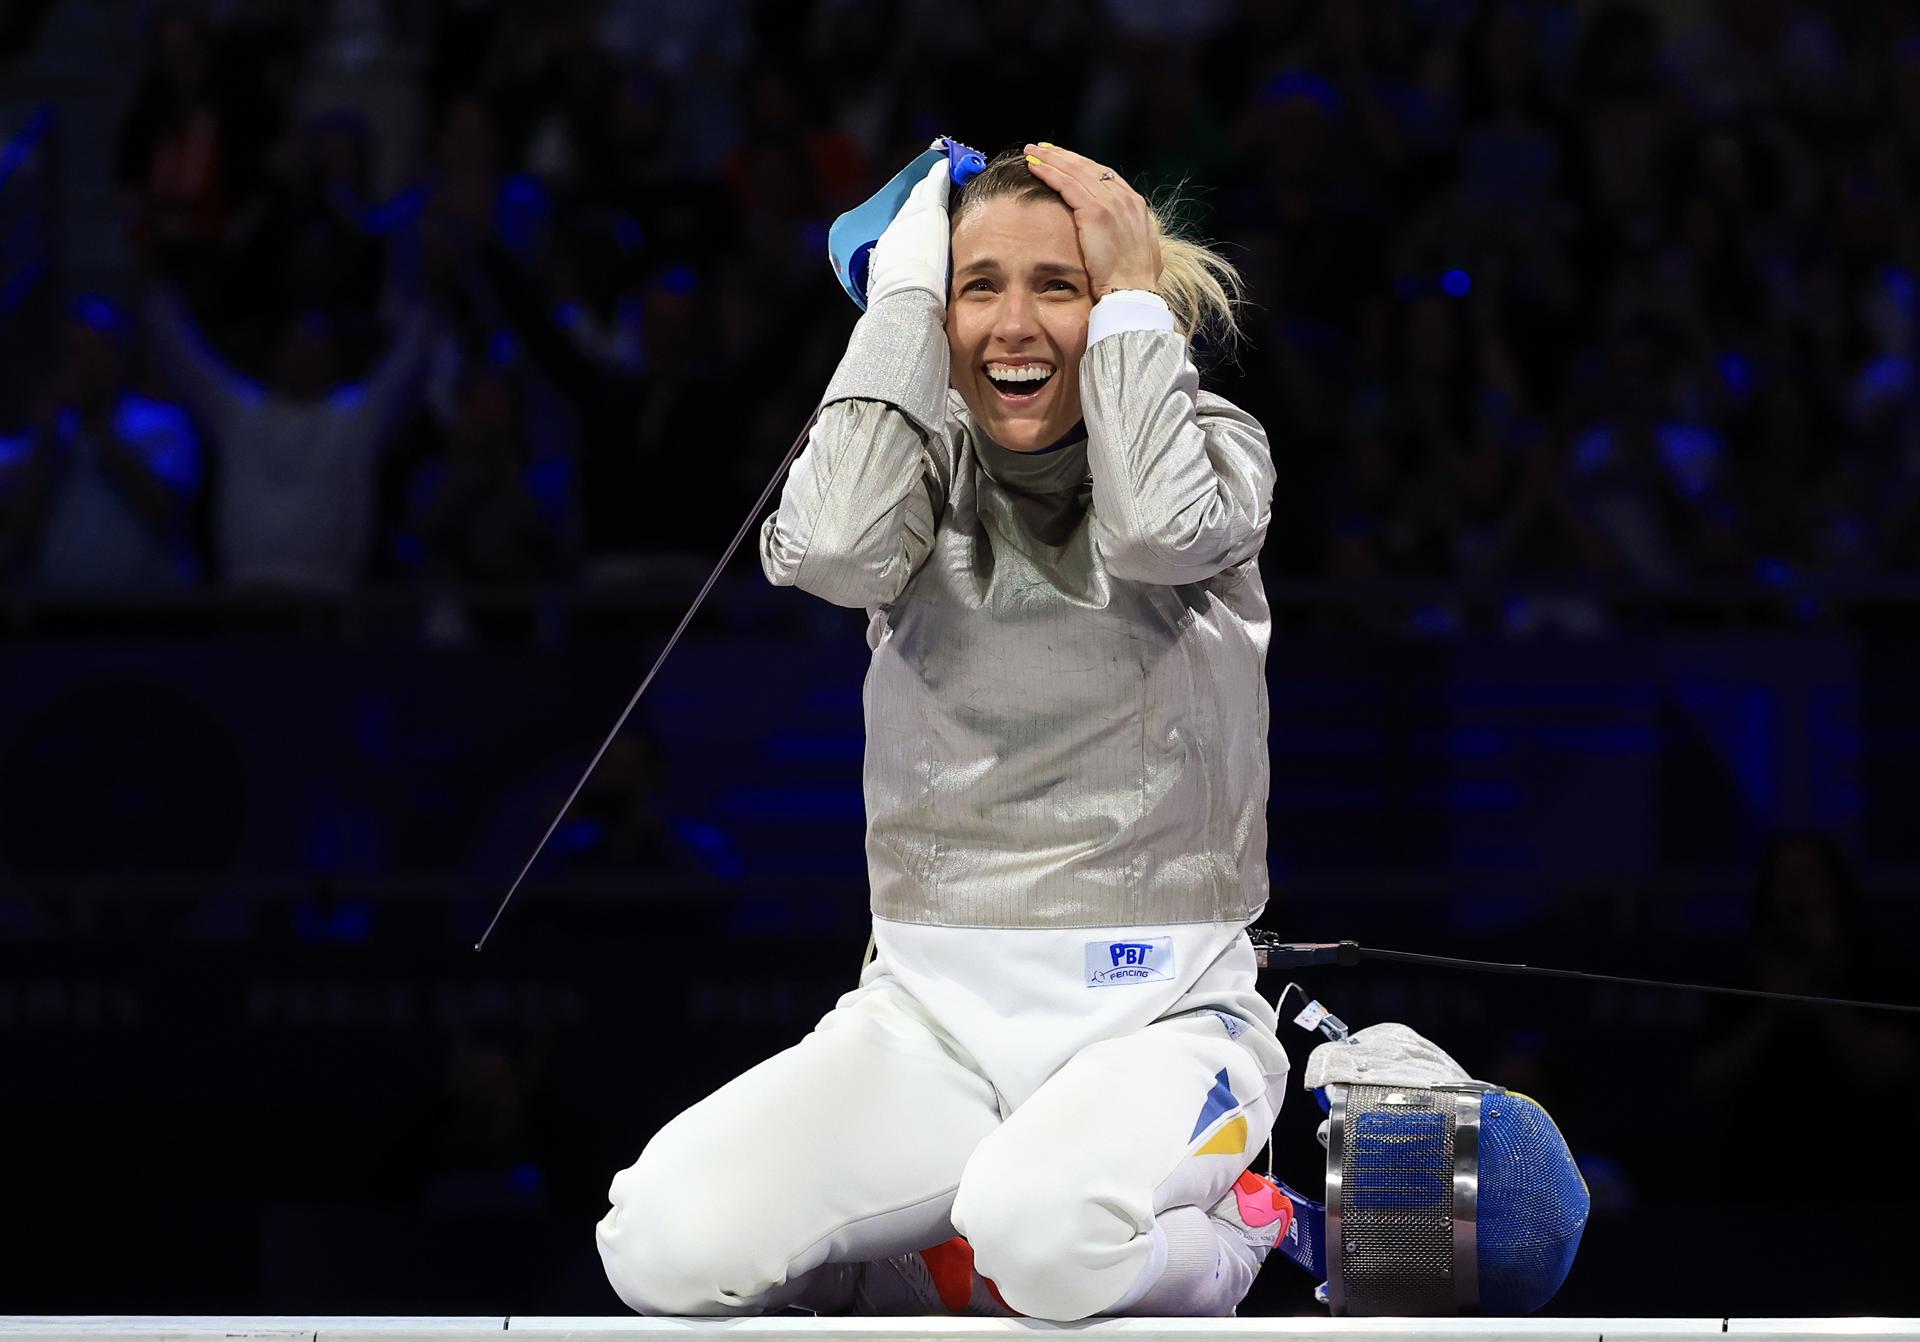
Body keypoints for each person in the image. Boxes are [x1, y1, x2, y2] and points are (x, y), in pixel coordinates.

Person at [596, 143, 1290, 1320]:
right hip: (931, 1019)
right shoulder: (911, 473)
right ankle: (926, 1246)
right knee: (661, 1245)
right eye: (978, 286)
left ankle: (1233, 1227)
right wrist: (903, 295)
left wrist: (1132, 297)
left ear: (1120, 299)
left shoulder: (1217, 447)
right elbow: (824, 552)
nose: (1013, 325)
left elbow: (1157, 531)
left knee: (1052, 1239)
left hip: (1160, 1016)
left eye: (1057, 286)